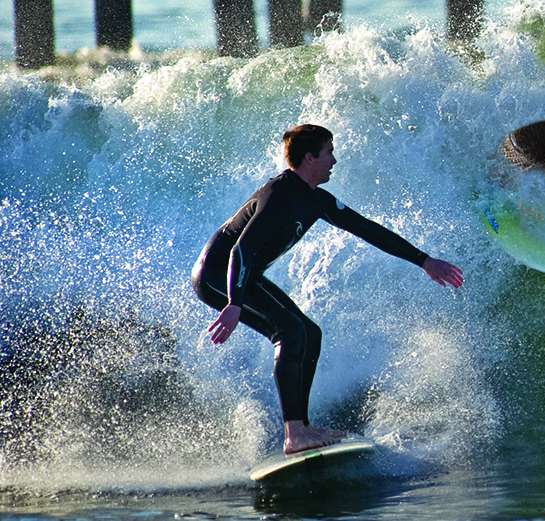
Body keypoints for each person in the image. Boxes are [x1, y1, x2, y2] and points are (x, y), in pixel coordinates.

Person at [191, 124, 464, 454]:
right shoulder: (279, 195)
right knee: (290, 331)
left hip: (245, 276)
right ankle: (294, 434)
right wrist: (234, 303)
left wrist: (424, 261)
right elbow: (240, 250)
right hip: (217, 275)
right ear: (310, 158)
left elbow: (367, 229)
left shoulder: (315, 200)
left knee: (310, 333)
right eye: (329, 153)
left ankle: (302, 427)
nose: (334, 160)